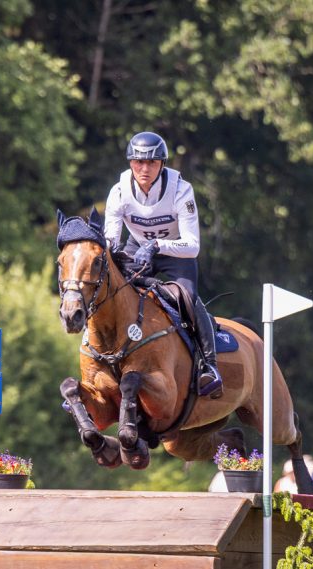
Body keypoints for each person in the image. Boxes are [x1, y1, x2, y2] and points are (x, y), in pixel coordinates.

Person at [104, 131, 221, 398]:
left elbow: (193, 245)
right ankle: (99, 359)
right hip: (136, 248)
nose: (144, 169)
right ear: (130, 162)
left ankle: (209, 366)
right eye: (138, 162)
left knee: (188, 299)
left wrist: (156, 245)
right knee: (108, 290)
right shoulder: (119, 191)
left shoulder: (181, 190)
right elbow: (111, 241)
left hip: (176, 251)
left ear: (162, 164)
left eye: (152, 163)